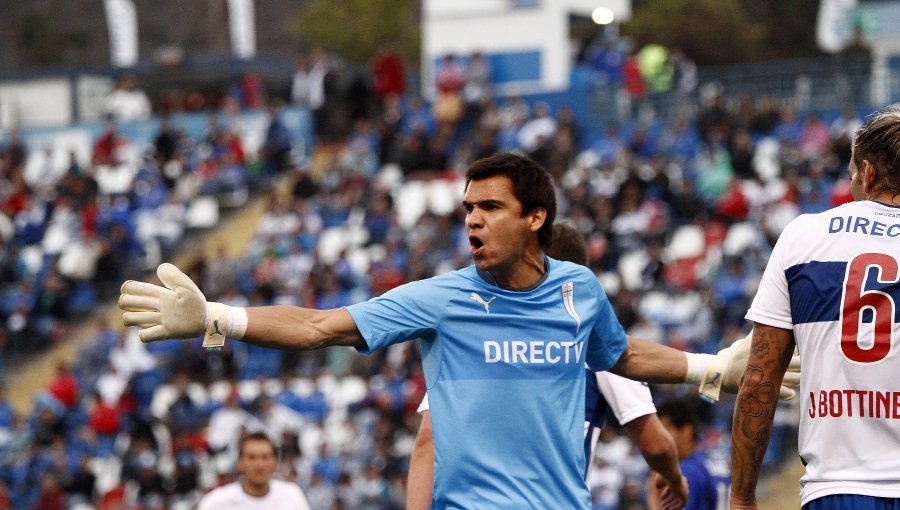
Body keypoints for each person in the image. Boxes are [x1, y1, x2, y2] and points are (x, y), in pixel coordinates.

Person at [121, 152, 792, 509]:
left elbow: (621, 356)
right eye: (467, 207)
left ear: (535, 218)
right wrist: (217, 319)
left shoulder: (579, 291)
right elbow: (318, 325)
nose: (472, 219)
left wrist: (711, 369)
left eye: (490, 207)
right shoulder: (441, 299)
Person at [407, 222, 688, 510]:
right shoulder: (598, 346)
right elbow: (655, 445)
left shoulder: (469, 342)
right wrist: (675, 479)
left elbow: (428, 443)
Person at [731, 104, 900, 510]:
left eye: (852, 174)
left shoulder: (803, 238)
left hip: (839, 487)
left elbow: (760, 380)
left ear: (869, 172)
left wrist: (741, 496)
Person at [649, 398, 731, 510]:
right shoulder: (715, 462)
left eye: (665, 431)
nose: (660, 439)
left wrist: (653, 498)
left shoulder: (686, 471)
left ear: (686, 430)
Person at [197, 432, 310, 510]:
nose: (259, 464)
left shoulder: (292, 495)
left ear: (274, 462)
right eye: (251, 457)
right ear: (240, 463)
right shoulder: (217, 502)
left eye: (265, 457)